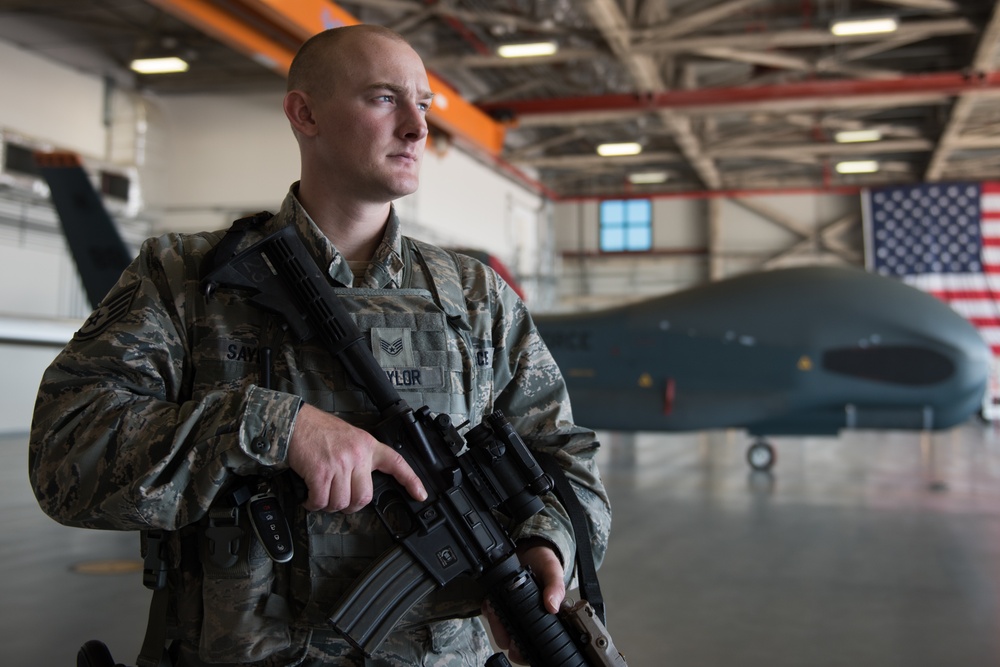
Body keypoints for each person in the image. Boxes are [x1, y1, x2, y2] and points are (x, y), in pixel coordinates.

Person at [29, 24, 611, 667]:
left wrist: (546, 545)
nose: (417, 129)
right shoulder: (186, 278)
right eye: (385, 99)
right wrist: (271, 426)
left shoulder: (478, 299)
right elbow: (65, 455)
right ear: (304, 113)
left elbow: (565, 460)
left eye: (423, 104)